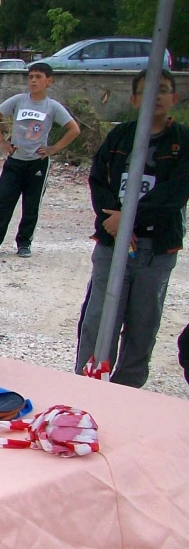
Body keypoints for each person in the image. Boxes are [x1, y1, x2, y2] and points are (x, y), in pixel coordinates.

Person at [74, 69, 189, 387]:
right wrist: (115, 221)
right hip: (113, 244)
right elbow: (98, 179)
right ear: (135, 99)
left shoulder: (183, 142)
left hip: (156, 248)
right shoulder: (119, 137)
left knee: (143, 323)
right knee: (99, 319)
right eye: (148, 91)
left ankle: (129, 390)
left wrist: (130, 218)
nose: (156, 96)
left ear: (174, 99)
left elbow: (176, 192)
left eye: (163, 90)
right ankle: (88, 384)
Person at [0, 62, 81, 257]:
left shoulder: (52, 106)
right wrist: (2, 142)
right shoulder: (19, 100)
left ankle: (24, 243)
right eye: (30, 77)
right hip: (15, 161)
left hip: (37, 163)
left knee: (31, 205)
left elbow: (74, 129)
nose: (33, 81)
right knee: (2, 202)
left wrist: (53, 149)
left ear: (49, 81)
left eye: (38, 77)